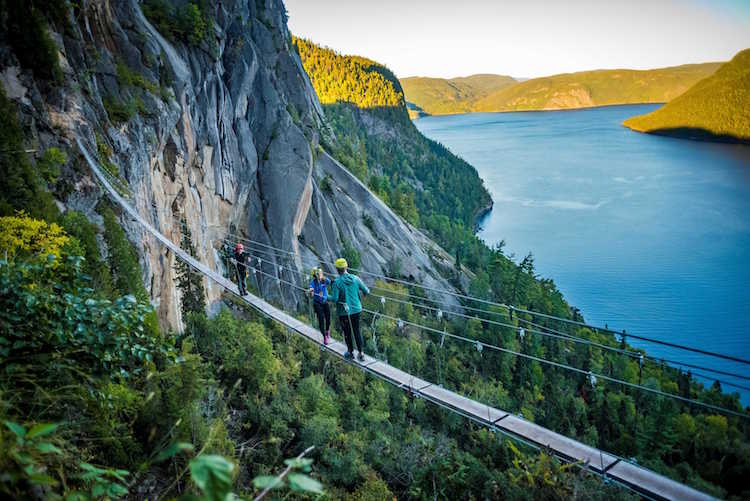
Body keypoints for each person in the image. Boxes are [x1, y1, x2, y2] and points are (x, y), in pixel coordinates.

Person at [330, 258, 370, 361]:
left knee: (347, 332)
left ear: (337, 269)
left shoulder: (336, 283)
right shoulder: (356, 279)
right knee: (357, 330)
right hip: (357, 309)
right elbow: (367, 291)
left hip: (344, 312)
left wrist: (324, 297)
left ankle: (350, 352)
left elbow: (335, 298)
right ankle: (361, 353)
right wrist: (363, 296)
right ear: (346, 267)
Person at [308, 267, 331, 345]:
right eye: (319, 273)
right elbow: (311, 291)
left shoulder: (324, 280)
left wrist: (322, 278)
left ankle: (327, 330)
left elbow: (329, 282)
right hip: (317, 303)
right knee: (321, 319)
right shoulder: (313, 282)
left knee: (328, 317)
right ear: (315, 275)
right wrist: (311, 292)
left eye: (321, 273)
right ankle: (324, 336)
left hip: (324, 302)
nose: (321, 274)